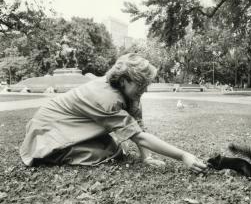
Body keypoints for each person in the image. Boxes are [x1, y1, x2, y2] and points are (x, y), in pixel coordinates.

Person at [20, 53, 207, 173]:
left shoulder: (128, 92)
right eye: (141, 84)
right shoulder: (107, 98)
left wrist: (146, 157)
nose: (145, 90)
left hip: (66, 125)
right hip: (48, 128)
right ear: (124, 81)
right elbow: (139, 137)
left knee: (113, 149)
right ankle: (51, 152)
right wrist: (183, 156)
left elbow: (138, 123)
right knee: (107, 153)